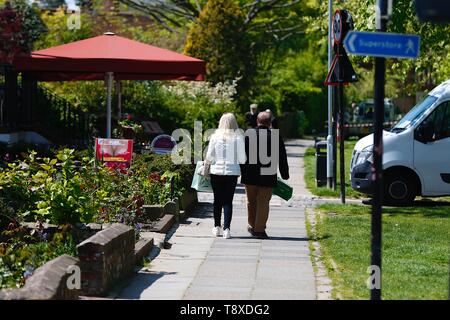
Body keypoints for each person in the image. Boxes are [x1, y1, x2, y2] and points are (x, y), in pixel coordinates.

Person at [241, 112, 289, 239]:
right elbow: (282, 157)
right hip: (268, 175)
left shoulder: (248, 134)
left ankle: (252, 225)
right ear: (270, 123)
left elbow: (241, 155)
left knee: (251, 202)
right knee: (263, 202)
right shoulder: (275, 136)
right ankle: (260, 229)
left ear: (257, 121)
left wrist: (240, 171)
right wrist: (285, 174)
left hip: (250, 175)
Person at [205, 113, 246, 239]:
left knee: (217, 200)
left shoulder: (214, 137)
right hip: (231, 173)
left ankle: (216, 227)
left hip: (216, 172)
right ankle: (227, 229)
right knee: (228, 201)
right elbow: (242, 158)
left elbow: (210, 156)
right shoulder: (238, 138)